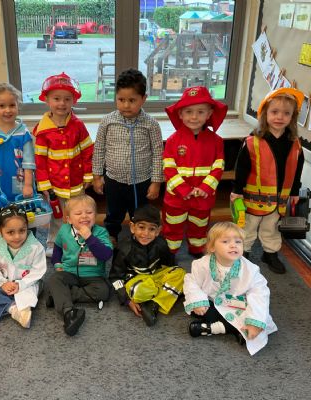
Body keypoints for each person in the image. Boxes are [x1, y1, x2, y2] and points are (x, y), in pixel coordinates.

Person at [230, 88, 304, 274]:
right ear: (265, 114)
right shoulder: (252, 141)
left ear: (292, 117)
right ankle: (242, 254)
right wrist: (237, 190)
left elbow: (297, 170)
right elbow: (241, 168)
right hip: (253, 199)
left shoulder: (295, 144)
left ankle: (270, 253)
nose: (280, 117)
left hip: (280, 200)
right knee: (248, 227)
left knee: (271, 228)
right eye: (274, 112)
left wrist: (295, 192)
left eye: (286, 113)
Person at [183, 222, 277, 356]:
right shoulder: (201, 264)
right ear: (212, 247)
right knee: (199, 311)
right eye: (226, 241)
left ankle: (214, 328)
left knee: (257, 319)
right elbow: (192, 281)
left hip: (238, 304)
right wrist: (198, 301)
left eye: (238, 242)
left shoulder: (250, 270)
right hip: (212, 301)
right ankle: (234, 329)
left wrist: (255, 322)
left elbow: (260, 293)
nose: (234, 245)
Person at [92, 68, 164, 245]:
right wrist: (97, 176)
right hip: (113, 180)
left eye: (132, 100)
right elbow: (99, 149)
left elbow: (158, 154)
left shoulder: (151, 125)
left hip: (141, 181)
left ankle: (140, 236)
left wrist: (156, 182)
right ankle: (112, 235)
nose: (126, 105)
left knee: (139, 213)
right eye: (121, 100)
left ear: (143, 99)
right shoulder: (107, 121)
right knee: (113, 212)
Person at [33, 72, 93, 257]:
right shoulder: (42, 131)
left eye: (67, 99)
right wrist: (44, 184)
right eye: (56, 98)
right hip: (55, 185)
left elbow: (87, 151)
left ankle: (78, 241)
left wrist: (88, 175)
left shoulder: (78, 125)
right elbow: (40, 160)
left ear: (73, 101)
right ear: (47, 100)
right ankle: (53, 243)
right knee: (57, 216)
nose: (62, 103)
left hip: (76, 182)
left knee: (79, 214)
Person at [162, 86, 227, 257]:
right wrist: (183, 189)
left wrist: (205, 188)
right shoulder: (173, 140)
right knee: (173, 224)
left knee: (200, 224)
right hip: (177, 197)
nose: (194, 117)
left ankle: (197, 248)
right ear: (180, 114)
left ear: (209, 114)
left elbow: (218, 167)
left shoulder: (217, 141)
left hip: (203, 197)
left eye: (200, 112)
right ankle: (170, 250)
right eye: (189, 111)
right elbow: (169, 168)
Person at [45, 194, 112, 336]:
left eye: (89, 212)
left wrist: (89, 238)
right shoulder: (64, 231)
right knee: (54, 279)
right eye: (78, 213)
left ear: (95, 215)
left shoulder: (101, 232)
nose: (84, 216)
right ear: (69, 219)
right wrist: (57, 264)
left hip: (94, 275)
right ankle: (69, 312)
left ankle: (61, 296)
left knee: (104, 292)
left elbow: (106, 255)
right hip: (69, 272)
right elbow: (57, 248)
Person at [109, 204, 186, 326]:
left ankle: (153, 303)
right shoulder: (123, 248)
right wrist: (127, 300)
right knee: (138, 292)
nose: (146, 233)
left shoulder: (161, 244)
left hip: (156, 276)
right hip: (138, 281)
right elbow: (115, 278)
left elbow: (171, 267)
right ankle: (166, 295)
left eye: (151, 229)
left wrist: (173, 277)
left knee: (182, 274)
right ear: (132, 227)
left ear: (158, 231)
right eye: (141, 227)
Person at [0, 83, 35, 206]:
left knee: (26, 213)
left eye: (12, 105)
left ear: (18, 106)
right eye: (2, 106)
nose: (8, 110)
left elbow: (29, 163)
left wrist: (28, 185)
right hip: (2, 187)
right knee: (6, 214)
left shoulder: (23, 134)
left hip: (23, 185)